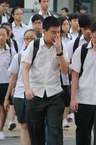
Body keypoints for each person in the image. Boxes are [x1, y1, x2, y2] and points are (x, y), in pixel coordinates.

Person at [22, 16, 69, 145]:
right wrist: (27, 89)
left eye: (58, 32)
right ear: (44, 31)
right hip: (35, 94)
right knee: (36, 133)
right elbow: (25, 68)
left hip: (54, 94)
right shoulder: (35, 45)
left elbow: (65, 71)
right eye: (53, 32)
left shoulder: (62, 46)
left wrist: (59, 52)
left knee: (55, 132)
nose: (56, 35)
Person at [4, 29, 37, 145]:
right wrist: (7, 97)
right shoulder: (19, 57)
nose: (29, 41)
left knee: (35, 125)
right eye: (27, 38)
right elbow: (13, 78)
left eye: (32, 38)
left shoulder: (40, 56)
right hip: (20, 95)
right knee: (23, 125)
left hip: (36, 94)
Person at [58, 16, 72, 129]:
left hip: (68, 68)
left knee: (67, 95)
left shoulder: (71, 38)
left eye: (68, 24)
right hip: (58, 70)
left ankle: (65, 118)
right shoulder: (57, 38)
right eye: (64, 24)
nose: (66, 26)